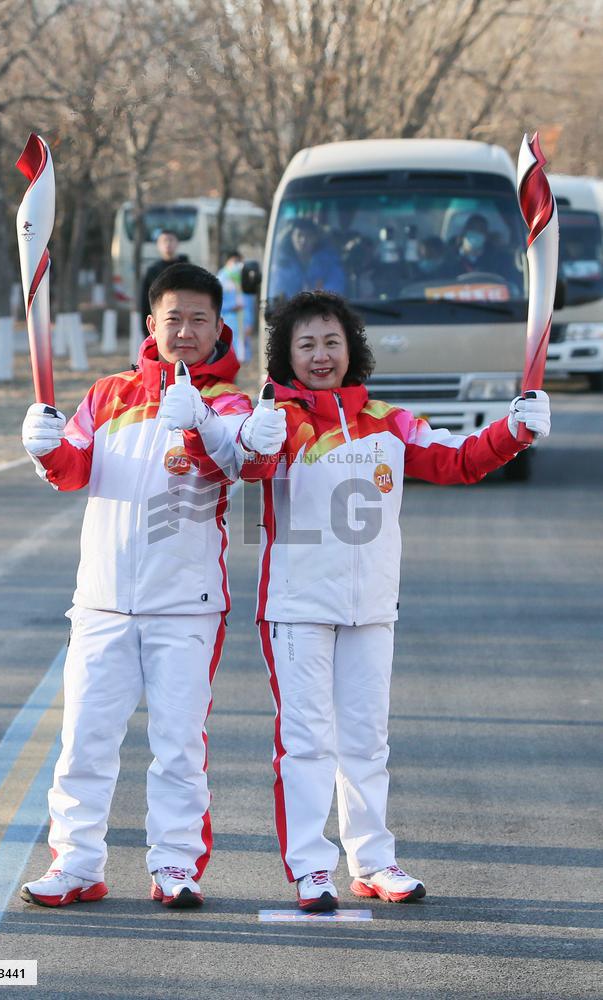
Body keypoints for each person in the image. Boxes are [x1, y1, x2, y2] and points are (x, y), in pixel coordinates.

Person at [234, 290, 551, 912]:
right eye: (306, 345)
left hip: (372, 605)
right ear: (286, 355)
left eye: (332, 342)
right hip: (298, 606)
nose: (321, 356)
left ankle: (373, 861)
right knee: (306, 743)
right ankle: (310, 868)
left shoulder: (388, 419)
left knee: (366, 741)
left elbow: (456, 460)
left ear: (351, 347)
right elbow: (248, 472)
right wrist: (256, 436)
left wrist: (513, 431)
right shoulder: (278, 420)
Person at [19, 263, 252, 909]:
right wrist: (44, 448)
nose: (184, 330)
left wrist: (197, 421)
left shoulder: (231, 403)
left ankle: (175, 865)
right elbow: (71, 471)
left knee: (178, 747)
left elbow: (237, 465)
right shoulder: (107, 394)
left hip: (185, 606)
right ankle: (75, 863)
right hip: (101, 601)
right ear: (151, 324)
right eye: (172, 318)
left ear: (216, 327)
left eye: (198, 319)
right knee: (84, 742)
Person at [269, 218, 345, 300]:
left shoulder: (328, 262)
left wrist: (316, 295)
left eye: (308, 236)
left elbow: (337, 286)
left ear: (315, 238)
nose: (303, 240)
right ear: (292, 237)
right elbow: (279, 293)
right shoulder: (282, 265)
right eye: (299, 235)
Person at [140, 230, 188, 334]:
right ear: (158, 245)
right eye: (164, 241)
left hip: (184, 325)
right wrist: (146, 329)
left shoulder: (187, 269)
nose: (168, 244)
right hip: (161, 326)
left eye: (171, 240)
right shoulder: (152, 271)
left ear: (177, 243)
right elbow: (145, 301)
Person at [217, 250, 248, 362]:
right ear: (228, 262)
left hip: (241, 322)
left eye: (240, 261)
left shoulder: (241, 278)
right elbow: (217, 303)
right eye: (235, 261)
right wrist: (232, 306)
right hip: (227, 320)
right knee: (228, 353)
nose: (237, 265)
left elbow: (247, 303)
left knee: (240, 357)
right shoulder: (221, 278)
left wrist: (249, 322)